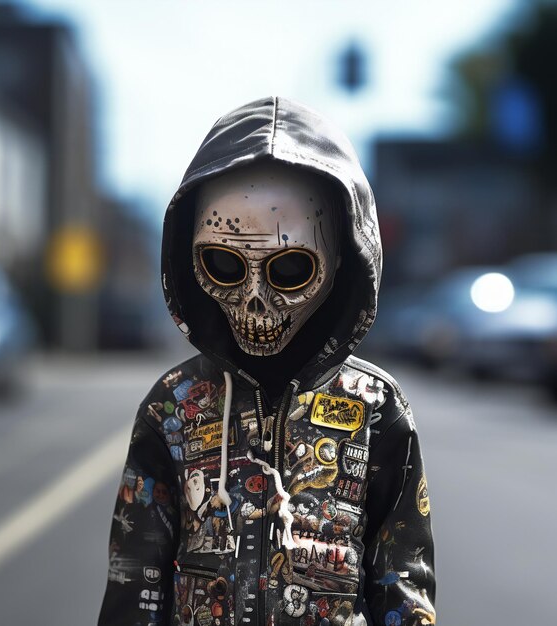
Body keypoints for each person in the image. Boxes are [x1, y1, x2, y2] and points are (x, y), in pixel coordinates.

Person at [98, 96, 436, 626]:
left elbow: (403, 583)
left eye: (290, 268)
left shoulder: (375, 409)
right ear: (191, 259)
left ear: (342, 259)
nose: (254, 302)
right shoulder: (172, 408)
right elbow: (135, 579)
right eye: (223, 264)